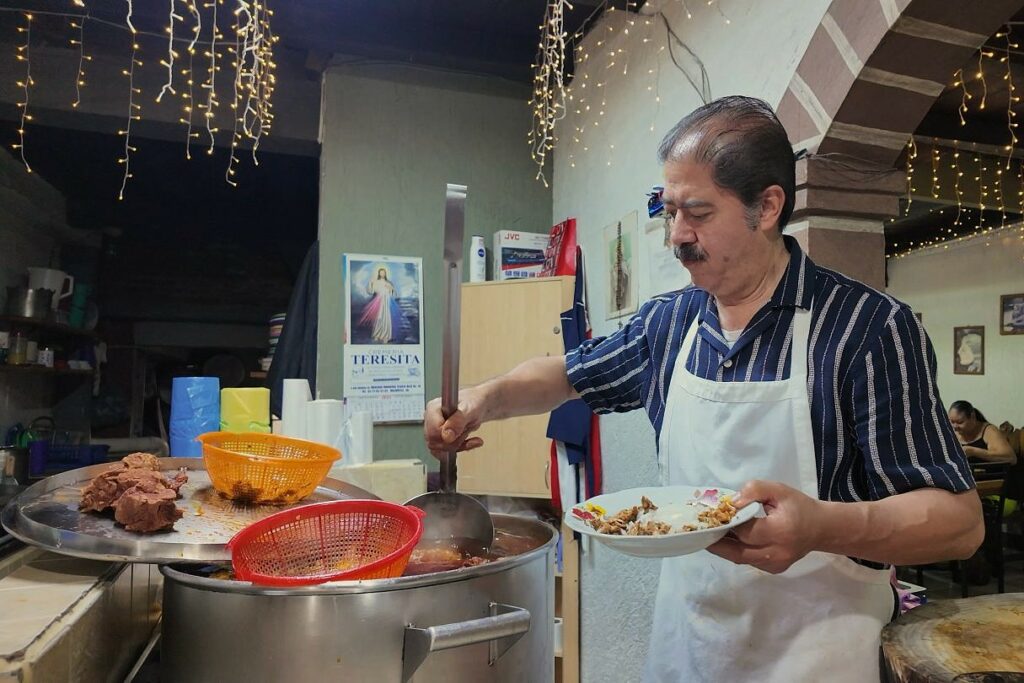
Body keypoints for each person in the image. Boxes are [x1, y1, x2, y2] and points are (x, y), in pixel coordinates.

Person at [423, 96, 983, 682]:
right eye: (669, 212)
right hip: (689, 653)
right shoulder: (671, 323)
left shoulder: (869, 329)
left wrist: (821, 526)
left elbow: (960, 523)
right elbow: (566, 374)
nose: (676, 237)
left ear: (767, 207)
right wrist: (482, 399)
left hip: (820, 656)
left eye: (698, 213)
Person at [948, 400, 1016, 464]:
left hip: (990, 475)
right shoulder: (950, 432)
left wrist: (973, 451)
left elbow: (1011, 458)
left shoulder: (989, 431)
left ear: (972, 417)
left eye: (960, 422)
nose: (955, 426)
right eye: (952, 422)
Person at [358, 266, 401, 343]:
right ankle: (377, 334)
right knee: (378, 318)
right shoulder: (376, 282)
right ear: (379, 274)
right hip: (378, 301)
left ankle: (386, 336)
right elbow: (370, 291)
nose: (382, 274)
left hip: (387, 301)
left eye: (383, 273)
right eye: (381, 273)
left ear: (385, 274)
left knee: (386, 318)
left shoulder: (389, 283)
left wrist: (391, 289)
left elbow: (394, 294)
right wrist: (370, 283)